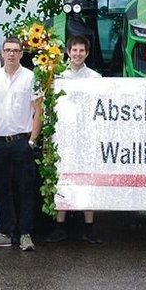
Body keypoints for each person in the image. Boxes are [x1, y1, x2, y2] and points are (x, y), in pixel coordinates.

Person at [0, 37, 42, 251]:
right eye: (7, 50)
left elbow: (39, 111)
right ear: (2, 53)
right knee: (1, 189)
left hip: (21, 141)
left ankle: (25, 233)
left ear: (21, 53)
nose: (11, 54)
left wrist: (31, 141)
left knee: (25, 189)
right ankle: (4, 232)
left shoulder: (31, 78)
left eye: (15, 50)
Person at [51, 36, 102, 242]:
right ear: (68, 52)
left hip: (87, 135)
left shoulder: (95, 78)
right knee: (63, 178)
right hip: (63, 135)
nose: (78, 54)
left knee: (88, 179)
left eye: (82, 51)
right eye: (74, 50)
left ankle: (89, 227)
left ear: (87, 54)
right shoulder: (58, 76)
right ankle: (59, 226)